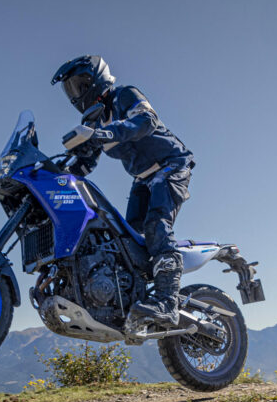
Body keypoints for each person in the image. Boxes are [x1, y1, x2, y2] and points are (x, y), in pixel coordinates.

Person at [51, 55, 194, 327]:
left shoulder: (124, 95)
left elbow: (146, 120)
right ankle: (132, 296)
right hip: (142, 179)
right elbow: (86, 163)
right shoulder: (94, 121)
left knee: (156, 224)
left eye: (80, 84)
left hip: (171, 164)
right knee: (128, 241)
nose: (76, 93)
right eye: (70, 89)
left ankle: (167, 302)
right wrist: (58, 173)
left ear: (97, 79)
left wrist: (107, 133)